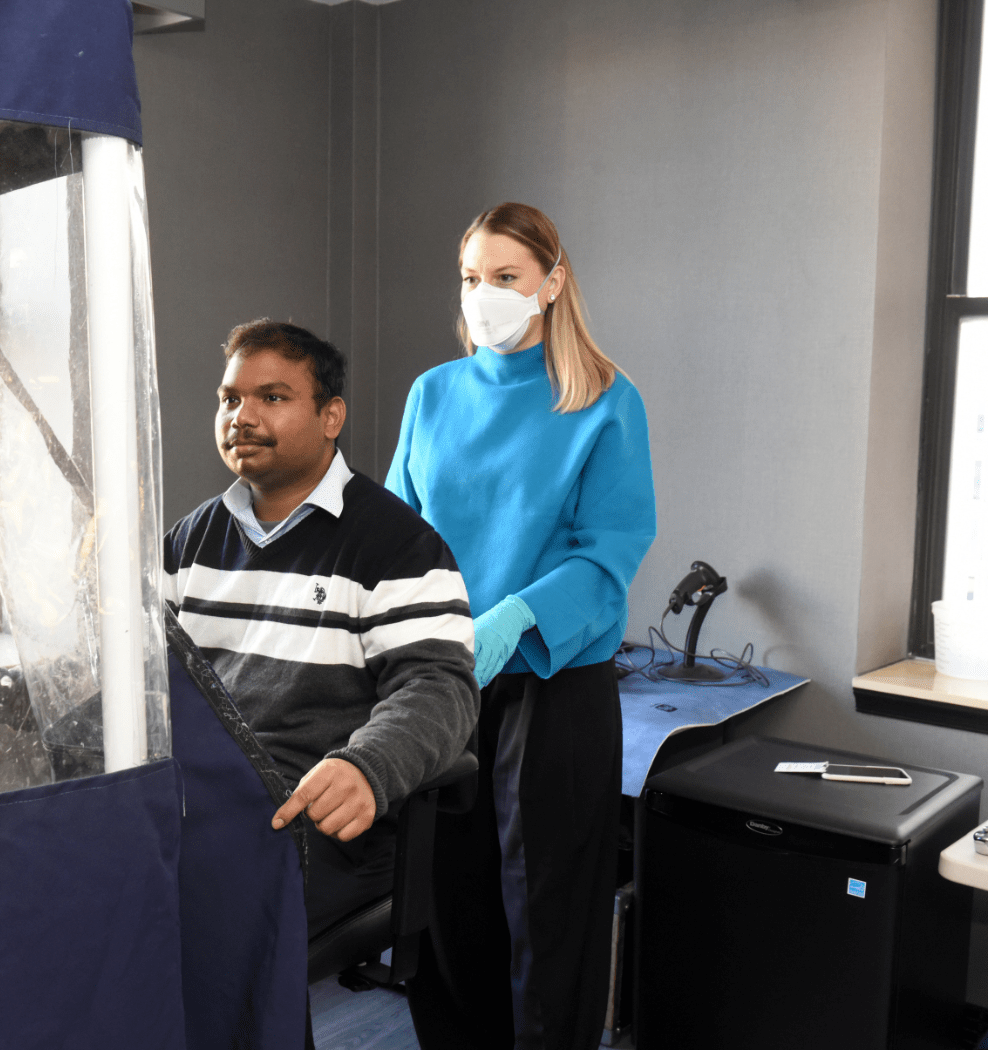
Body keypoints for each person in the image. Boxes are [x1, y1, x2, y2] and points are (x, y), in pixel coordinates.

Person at [387, 203, 656, 1050]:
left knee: (542, 915)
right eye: (472, 278)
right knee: (443, 910)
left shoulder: (606, 401)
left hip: (549, 683)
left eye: (506, 277)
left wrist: (516, 614)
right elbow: (397, 530)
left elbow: (610, 550)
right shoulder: (434, 394)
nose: (486, 294)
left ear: (551, 282)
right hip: (442, 682)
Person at [161, 319, 479, 940]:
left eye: (272, 398)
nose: (242, 416)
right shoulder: (192, 539)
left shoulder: (397, 542)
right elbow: (135, 671)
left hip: (314, 820)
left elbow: (440, 687)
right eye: (231, 399)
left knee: (180, 915)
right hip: (200, 805)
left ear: (331, 417)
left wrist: (367, 766)